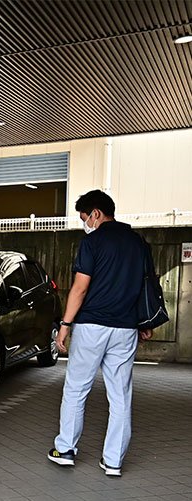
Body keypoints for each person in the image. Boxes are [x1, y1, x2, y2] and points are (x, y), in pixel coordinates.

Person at [48, 190, 154, 477]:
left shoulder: (92, 242)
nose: (86, 223)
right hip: (125, 328)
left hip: (91, 326)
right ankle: (113, 461)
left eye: (85, 218)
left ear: (95, 213)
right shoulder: (138, 244)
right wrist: (145, 323)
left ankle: (66, 449)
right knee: (120, 395)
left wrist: (65, 326)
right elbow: (147, 287)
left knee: (76, 389)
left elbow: (80, 288)